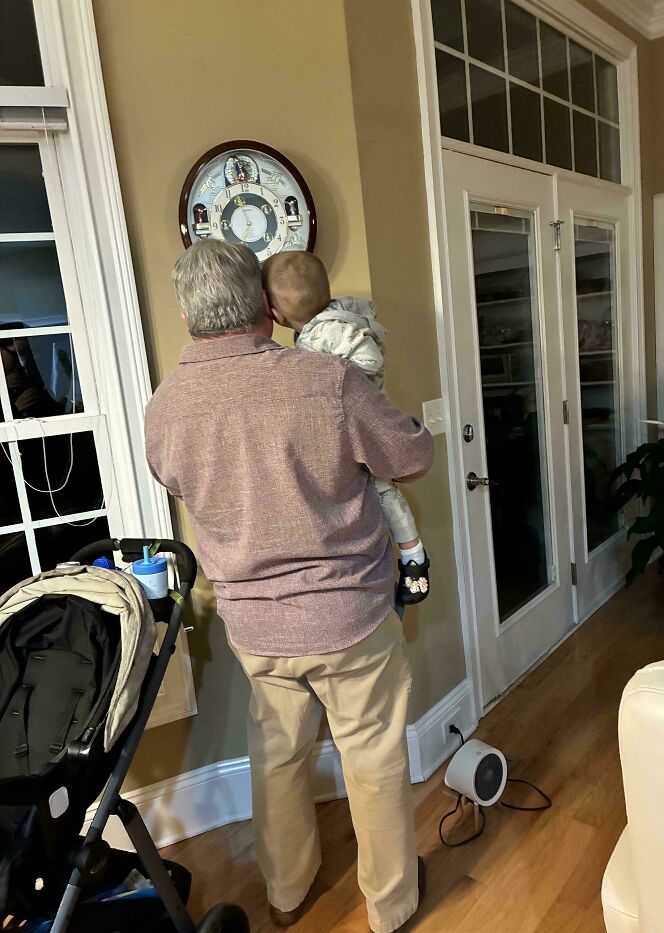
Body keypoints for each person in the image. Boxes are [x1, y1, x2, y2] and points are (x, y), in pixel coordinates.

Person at [144, 240, 434, 933]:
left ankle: (286, 892)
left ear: (187, 315)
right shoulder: (328, 380)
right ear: (266, 307)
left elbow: (175, 480)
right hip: (350, 615)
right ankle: (391, 905)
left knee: (277, 755)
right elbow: (411, 455)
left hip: (253, 625)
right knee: (372, 756)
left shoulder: (164, 407)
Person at [262, 250, 430, 605]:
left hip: (361, 424)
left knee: (383, 489)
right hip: (347, 424)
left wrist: (339, 378)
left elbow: (369, 358)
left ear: (275, 315)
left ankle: (414, 555)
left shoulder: (326, 333)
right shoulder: (324, 326)